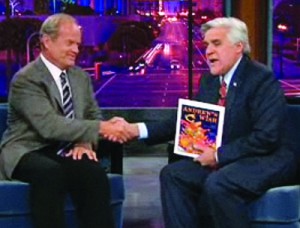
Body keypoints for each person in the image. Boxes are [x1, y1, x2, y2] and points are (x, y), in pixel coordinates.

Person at [124, 17, 297, 227]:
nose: (208, 51)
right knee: (173, 174)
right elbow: (188, 122)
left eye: (216, 43)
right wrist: (137, 129)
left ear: (238, 47)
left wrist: (217, 155)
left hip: (268, 158)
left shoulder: (260, 79)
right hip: (231, 158)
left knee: (220, 183)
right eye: (206, 45)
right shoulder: (209, 81)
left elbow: (266, 138)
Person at [0, 13, 132, 228]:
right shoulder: (27, 79)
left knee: (93, 173)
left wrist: (85, 142)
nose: (76, 50)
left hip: (65, 149)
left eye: (78, 44)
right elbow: (49, 126)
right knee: (50, 174)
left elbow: (92, 115)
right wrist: (101, 128)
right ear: (47, 42)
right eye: (69, 43)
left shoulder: (80, 77)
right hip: (27, 150)